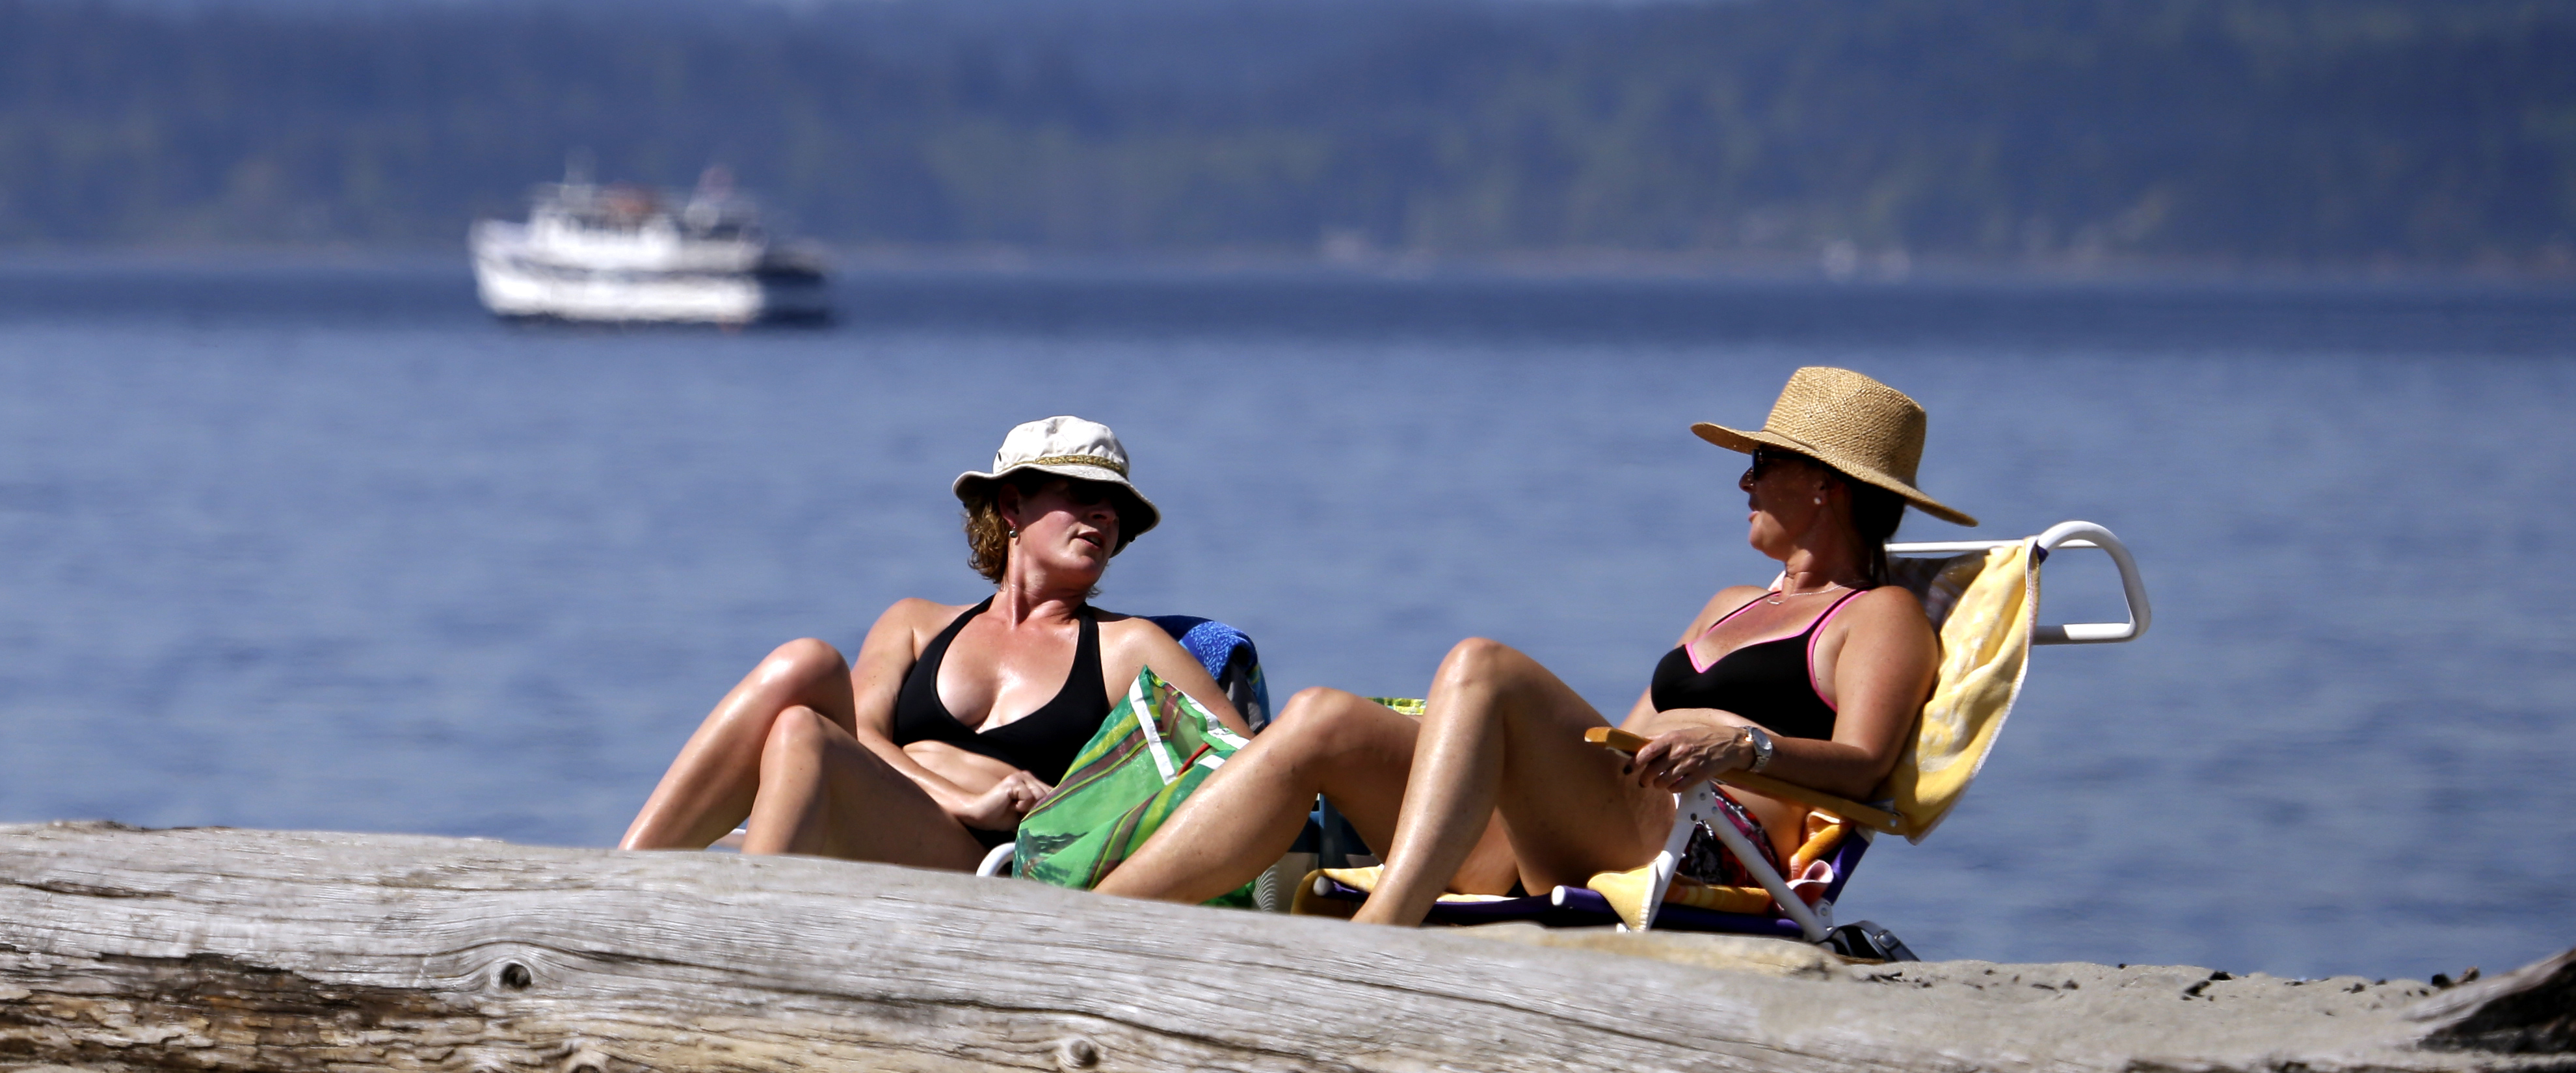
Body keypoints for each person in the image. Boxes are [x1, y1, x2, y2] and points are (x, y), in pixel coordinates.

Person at [1093, 366, 1969, 920]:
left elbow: (1864, 769)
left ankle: (1379, 940)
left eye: (1762, 465)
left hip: (1705, 840)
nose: (1743, 481)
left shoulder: (1876, 616)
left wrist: (1743, 744)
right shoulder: (1731, 602)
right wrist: (1514, 760)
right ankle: (1093, 920)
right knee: (1325, 716)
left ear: (1824, 487)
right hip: (1603, 818)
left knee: (1483, 664)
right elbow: (1622, 738)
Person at [618, 416, 1249, 868]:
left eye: (1116, 506)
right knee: (806, 667)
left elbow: (1244, 773)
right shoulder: (917, 622)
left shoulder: (1130, 646)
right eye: (1082, 494)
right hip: (892, 819)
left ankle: (731, 941)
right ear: (1011, 506)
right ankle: (620, 881)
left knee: (803, 734)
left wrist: (1079, 811)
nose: (1105, 514)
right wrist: (971, 800)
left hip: (987, 865)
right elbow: (861, 731)